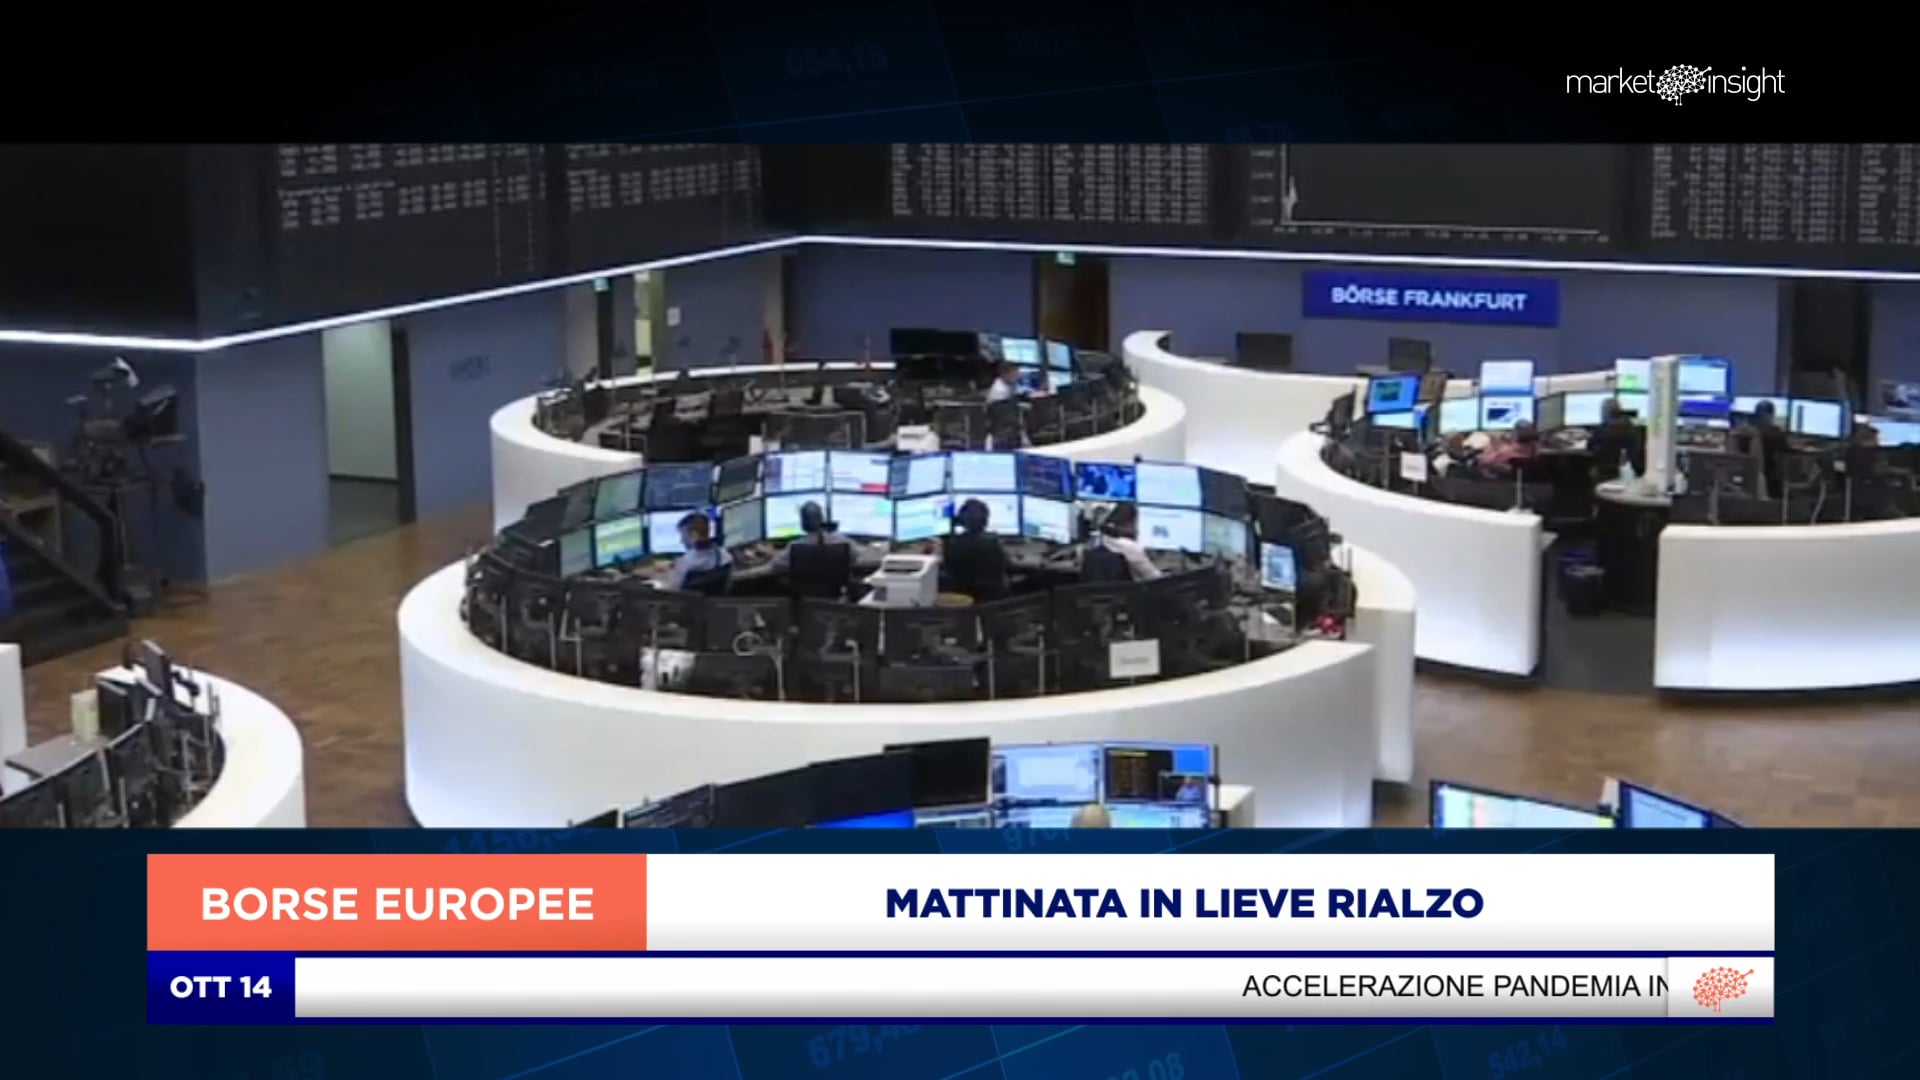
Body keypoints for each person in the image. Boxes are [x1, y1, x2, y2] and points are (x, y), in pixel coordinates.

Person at [941, 498, 1009, 601]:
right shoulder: (994, 542)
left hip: (962, 600)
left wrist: (952, 526)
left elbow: (946, 566)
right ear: (986, 521)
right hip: (992, 602)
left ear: (962, 520)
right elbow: (1007, 564)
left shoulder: (953, 544)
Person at [1083, 503, 1162, 583]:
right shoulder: (1130, 547)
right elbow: (1155, 578)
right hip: (1125, 590)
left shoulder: (1100, 539)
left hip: (1093, 589)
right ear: (1130, 523)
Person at [770, 500, 849, 572]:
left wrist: (774, 556)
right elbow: (857, 561)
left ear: (803, 524)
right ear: (822, 519)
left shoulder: (794, 548)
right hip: (836, 584)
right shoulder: (843, 542)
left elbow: (774, 566)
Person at [665, 511, 731, 592]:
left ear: (694, 534)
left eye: (683, 535)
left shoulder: (685, 563)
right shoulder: (725, 556)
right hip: (717, 599)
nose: (681, 540)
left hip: (688, 600)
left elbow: (670, 591)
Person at [1738, 399, 1790, 498]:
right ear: (1770, 415)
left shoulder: (1745, 432)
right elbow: (1787, 452)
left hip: (1745, 479)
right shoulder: (1775, 432)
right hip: (1769, 482)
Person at [1589, 398, 1646, 481]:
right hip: (1632, 472)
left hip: (1606, 473)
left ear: (1604, 412)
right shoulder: (1631, 427)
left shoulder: (1601, 430)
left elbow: (1590, 447)